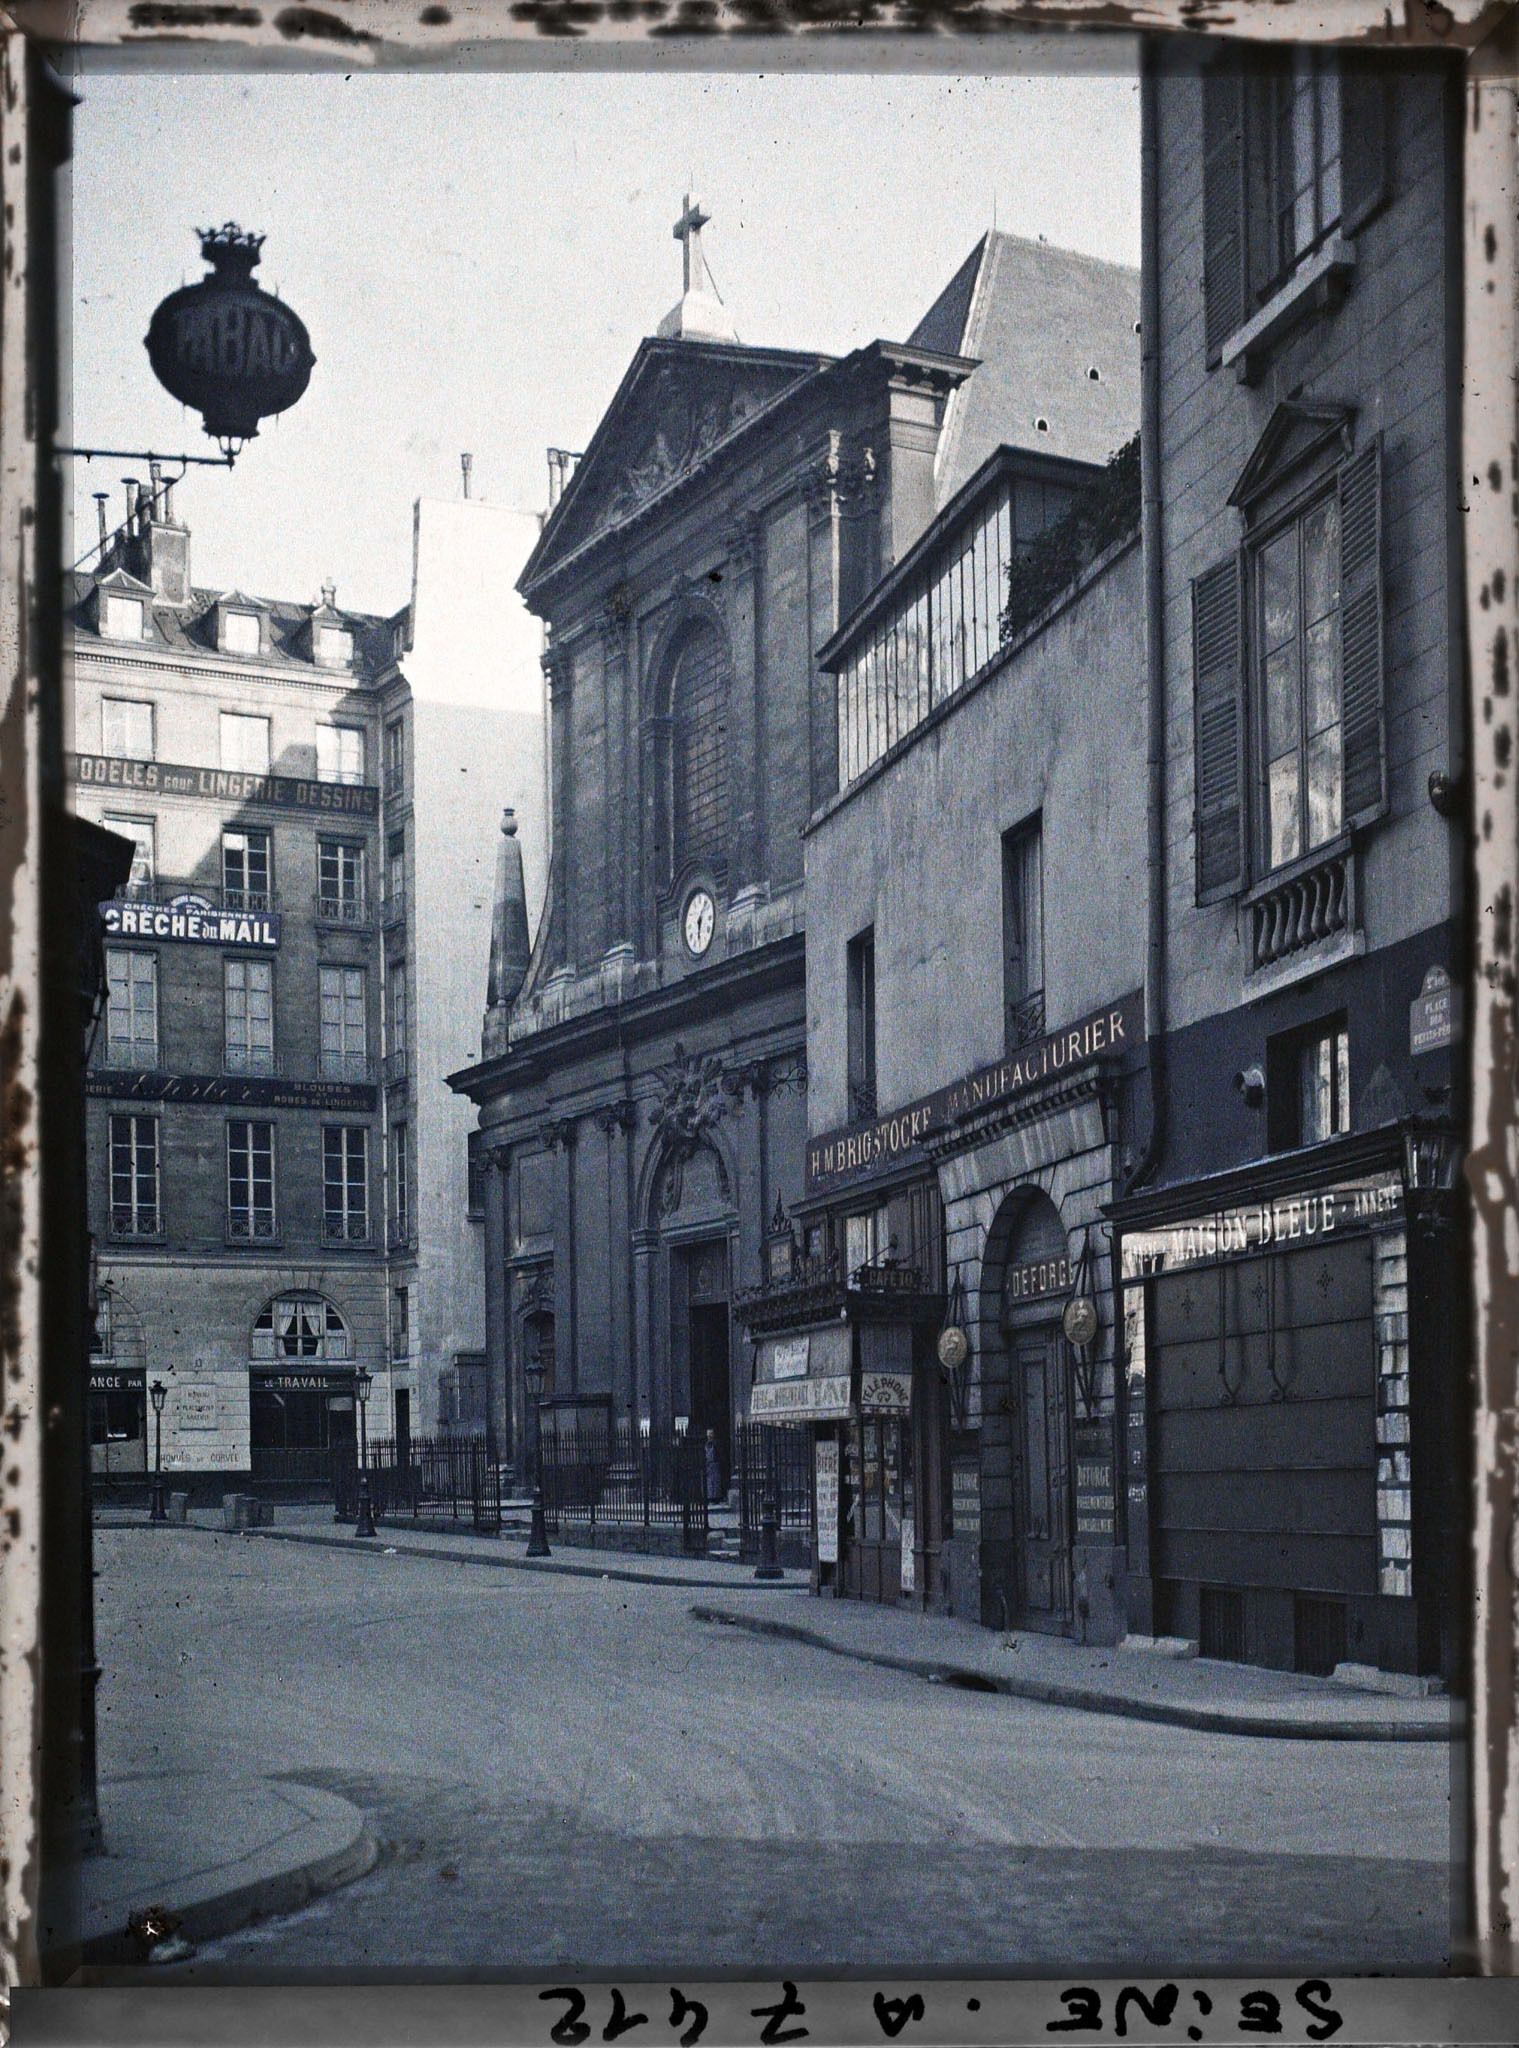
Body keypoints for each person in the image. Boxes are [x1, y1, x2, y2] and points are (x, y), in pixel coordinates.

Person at [704, 1427, 723, 1504]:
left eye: (711, 1434)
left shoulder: (716, 1443)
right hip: (708, 1464)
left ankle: (716, 1498)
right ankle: (709, 1498)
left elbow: (719, 1453)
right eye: (708, 1434)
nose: (709, 1436)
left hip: (715, 1464)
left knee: (715, 1482)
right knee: (709, 1482)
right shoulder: (706, 1444)